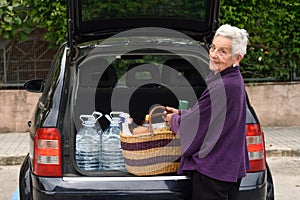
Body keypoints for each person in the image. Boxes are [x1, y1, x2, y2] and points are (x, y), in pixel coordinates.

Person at [165, 24, 250, 200]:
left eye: (222, 52)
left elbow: (196, 124)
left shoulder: (223, 85)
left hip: (213, 173)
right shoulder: (233, 80)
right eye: (213, 47)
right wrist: (181, 114)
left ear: (237, 58)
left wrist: (174, 120)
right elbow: (208, 114)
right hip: (227, 168)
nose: (213, 54)